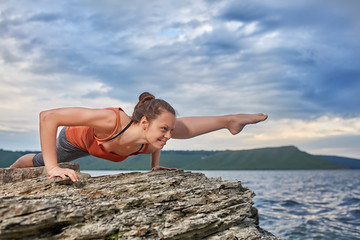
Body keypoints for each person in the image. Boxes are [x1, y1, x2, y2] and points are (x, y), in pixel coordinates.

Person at [10, 92, 268, 182]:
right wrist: (53, 167)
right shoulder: (110, 120)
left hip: (110, 147)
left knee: (174, 130)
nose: (168, 137)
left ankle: (229, 120)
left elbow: (163, 136)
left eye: (170, 130)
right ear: (144, 122)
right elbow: (48, 116)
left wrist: (154, 166)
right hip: (77, 141)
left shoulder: (148, 140)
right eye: (164, 130)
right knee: (39, 162)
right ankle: (7, 171)